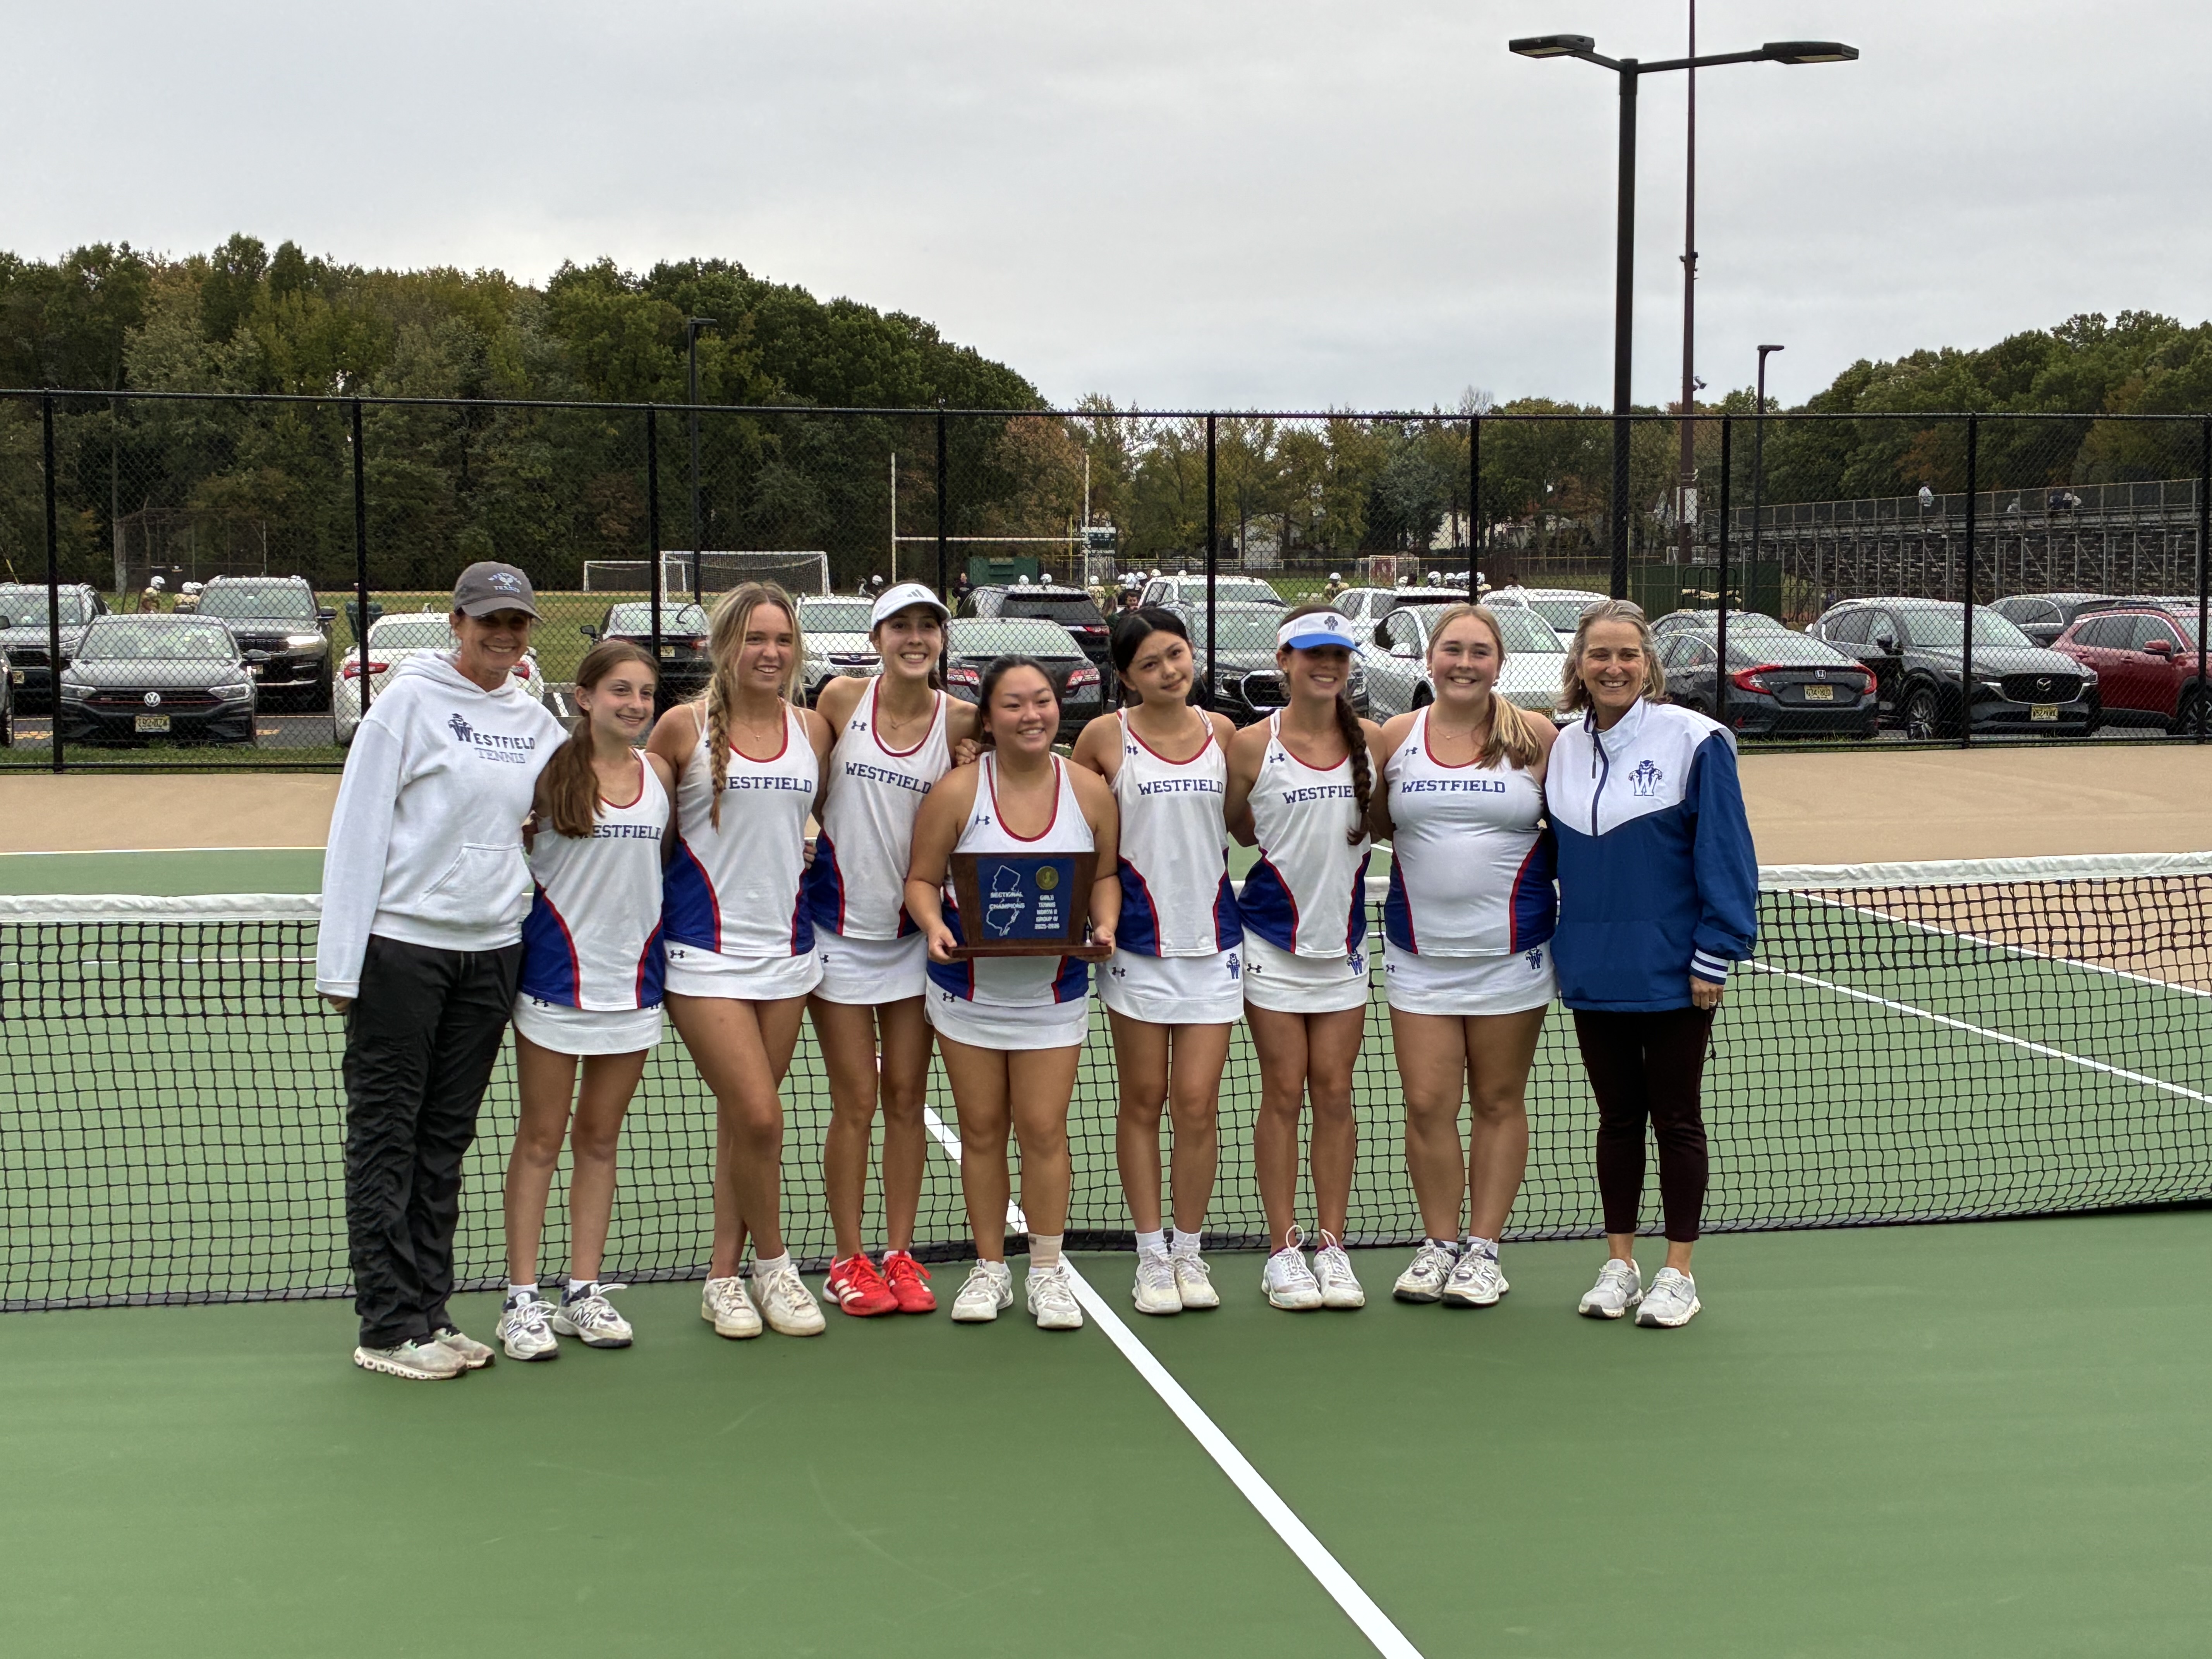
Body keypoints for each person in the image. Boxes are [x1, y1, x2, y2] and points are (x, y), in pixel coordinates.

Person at [314, 561, 565, 1381]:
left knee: (445, 1141)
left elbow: (597, 786)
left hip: (492, 953)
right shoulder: (406, 707)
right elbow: (357, 832)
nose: (503, 634)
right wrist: (343, 968)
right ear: (457, 623)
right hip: (402, 952)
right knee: (387, 1138)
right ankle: (387, 1327)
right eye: (488, 619)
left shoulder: (534, 722)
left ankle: (431, 1311)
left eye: (517, 622)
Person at [1547, 599, 1757, 1330]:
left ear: (1649, 664)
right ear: (1579, 664)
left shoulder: (1697, 741)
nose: (1613, 667)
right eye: (1599, 655)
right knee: (1615, 1120)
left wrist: (1714, 954)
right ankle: (1620, 1263)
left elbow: (1727, 857)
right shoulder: (1560, 746)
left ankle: (1678, 1272)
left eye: (1627, 655)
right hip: (1592, 967)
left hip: (1676, 971)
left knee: (1676, 1118)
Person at [905, 658, 1120, 1331]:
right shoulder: (957, 793)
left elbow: (1106, 874)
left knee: (1044, 1129)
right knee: (981, 1131)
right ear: (989, 718)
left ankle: (1049, 1272)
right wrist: (936, 925)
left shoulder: (1089, 792)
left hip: (1052, 994)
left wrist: (1106, 922)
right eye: (1014, 705)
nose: (1032, 715)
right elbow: (919, 881)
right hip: (966, 992)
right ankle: (991, 1268)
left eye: (1043, 702)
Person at [648, 582, 832, 1341]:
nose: (770, 653)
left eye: (783, 640)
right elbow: (637, 833)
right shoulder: (680, 730)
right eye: (755, 638)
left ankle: (722, 1281)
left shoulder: (815, 731)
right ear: (724, 646)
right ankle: (774, 1263)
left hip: (787, 955)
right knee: (761, 1115)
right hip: (701, 957)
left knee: (742, 1127)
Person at [1369, 606, 1559, 1309]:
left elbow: (1572, 832)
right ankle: (1438, 1243)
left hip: (1512, 957)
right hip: (1419, 955)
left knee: (1499, 1101)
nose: (1465, 662)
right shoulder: (1397, 738)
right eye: (1453, 649)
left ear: (1498, 665)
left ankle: (1483, 1251)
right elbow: (1383, 823)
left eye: (1480, 652)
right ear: (1430, 659)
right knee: (1426, 1104)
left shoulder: (1536, 738)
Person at [494, 641, 675, 1361]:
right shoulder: (546, 775)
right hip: (554, 983)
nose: (634, 705)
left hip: (633, 986)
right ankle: (520, 1300)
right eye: (620, 691)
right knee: (540, 1139)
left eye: (645, 694)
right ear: (585, 698)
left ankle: (582, 1291)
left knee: (601, 1140)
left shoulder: (660, 772)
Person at [804, 582, 980, 1317]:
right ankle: (848, 1259)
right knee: (856, 1101)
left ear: (942, 639)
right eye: (900, 626)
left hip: (920, 939)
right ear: (877, 637)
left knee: (908, 1100)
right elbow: (801, 789)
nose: (916, 638)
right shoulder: (841, 702)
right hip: (837, 935)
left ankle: (901, 1255)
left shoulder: (965, 721)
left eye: (928, 627)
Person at [1071, 607, 1240, 1315]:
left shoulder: (1224, 734)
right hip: (1135, 948)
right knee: (1143, 1102)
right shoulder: (1102, 738)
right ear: (1125, 677)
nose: (1170, 672)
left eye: (1177, 655)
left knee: (1197, 1105)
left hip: (1215, 947)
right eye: (1150, 665)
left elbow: (1247, 822)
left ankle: (1190, 1252)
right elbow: (1068, 822)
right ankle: (1150, 1255)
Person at [1224, 606, 1383, 1312]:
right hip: (1270, 942)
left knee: (1337, 1092)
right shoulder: (1251, 746)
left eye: (1340, 655)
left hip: (1344, 946)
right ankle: (1283, 1250)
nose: (1328, 665)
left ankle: (1334, 1247)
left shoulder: (1375, 742)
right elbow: (1239, 827)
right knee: (1284, 1091)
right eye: (1314, 653)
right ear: (1286, 658)